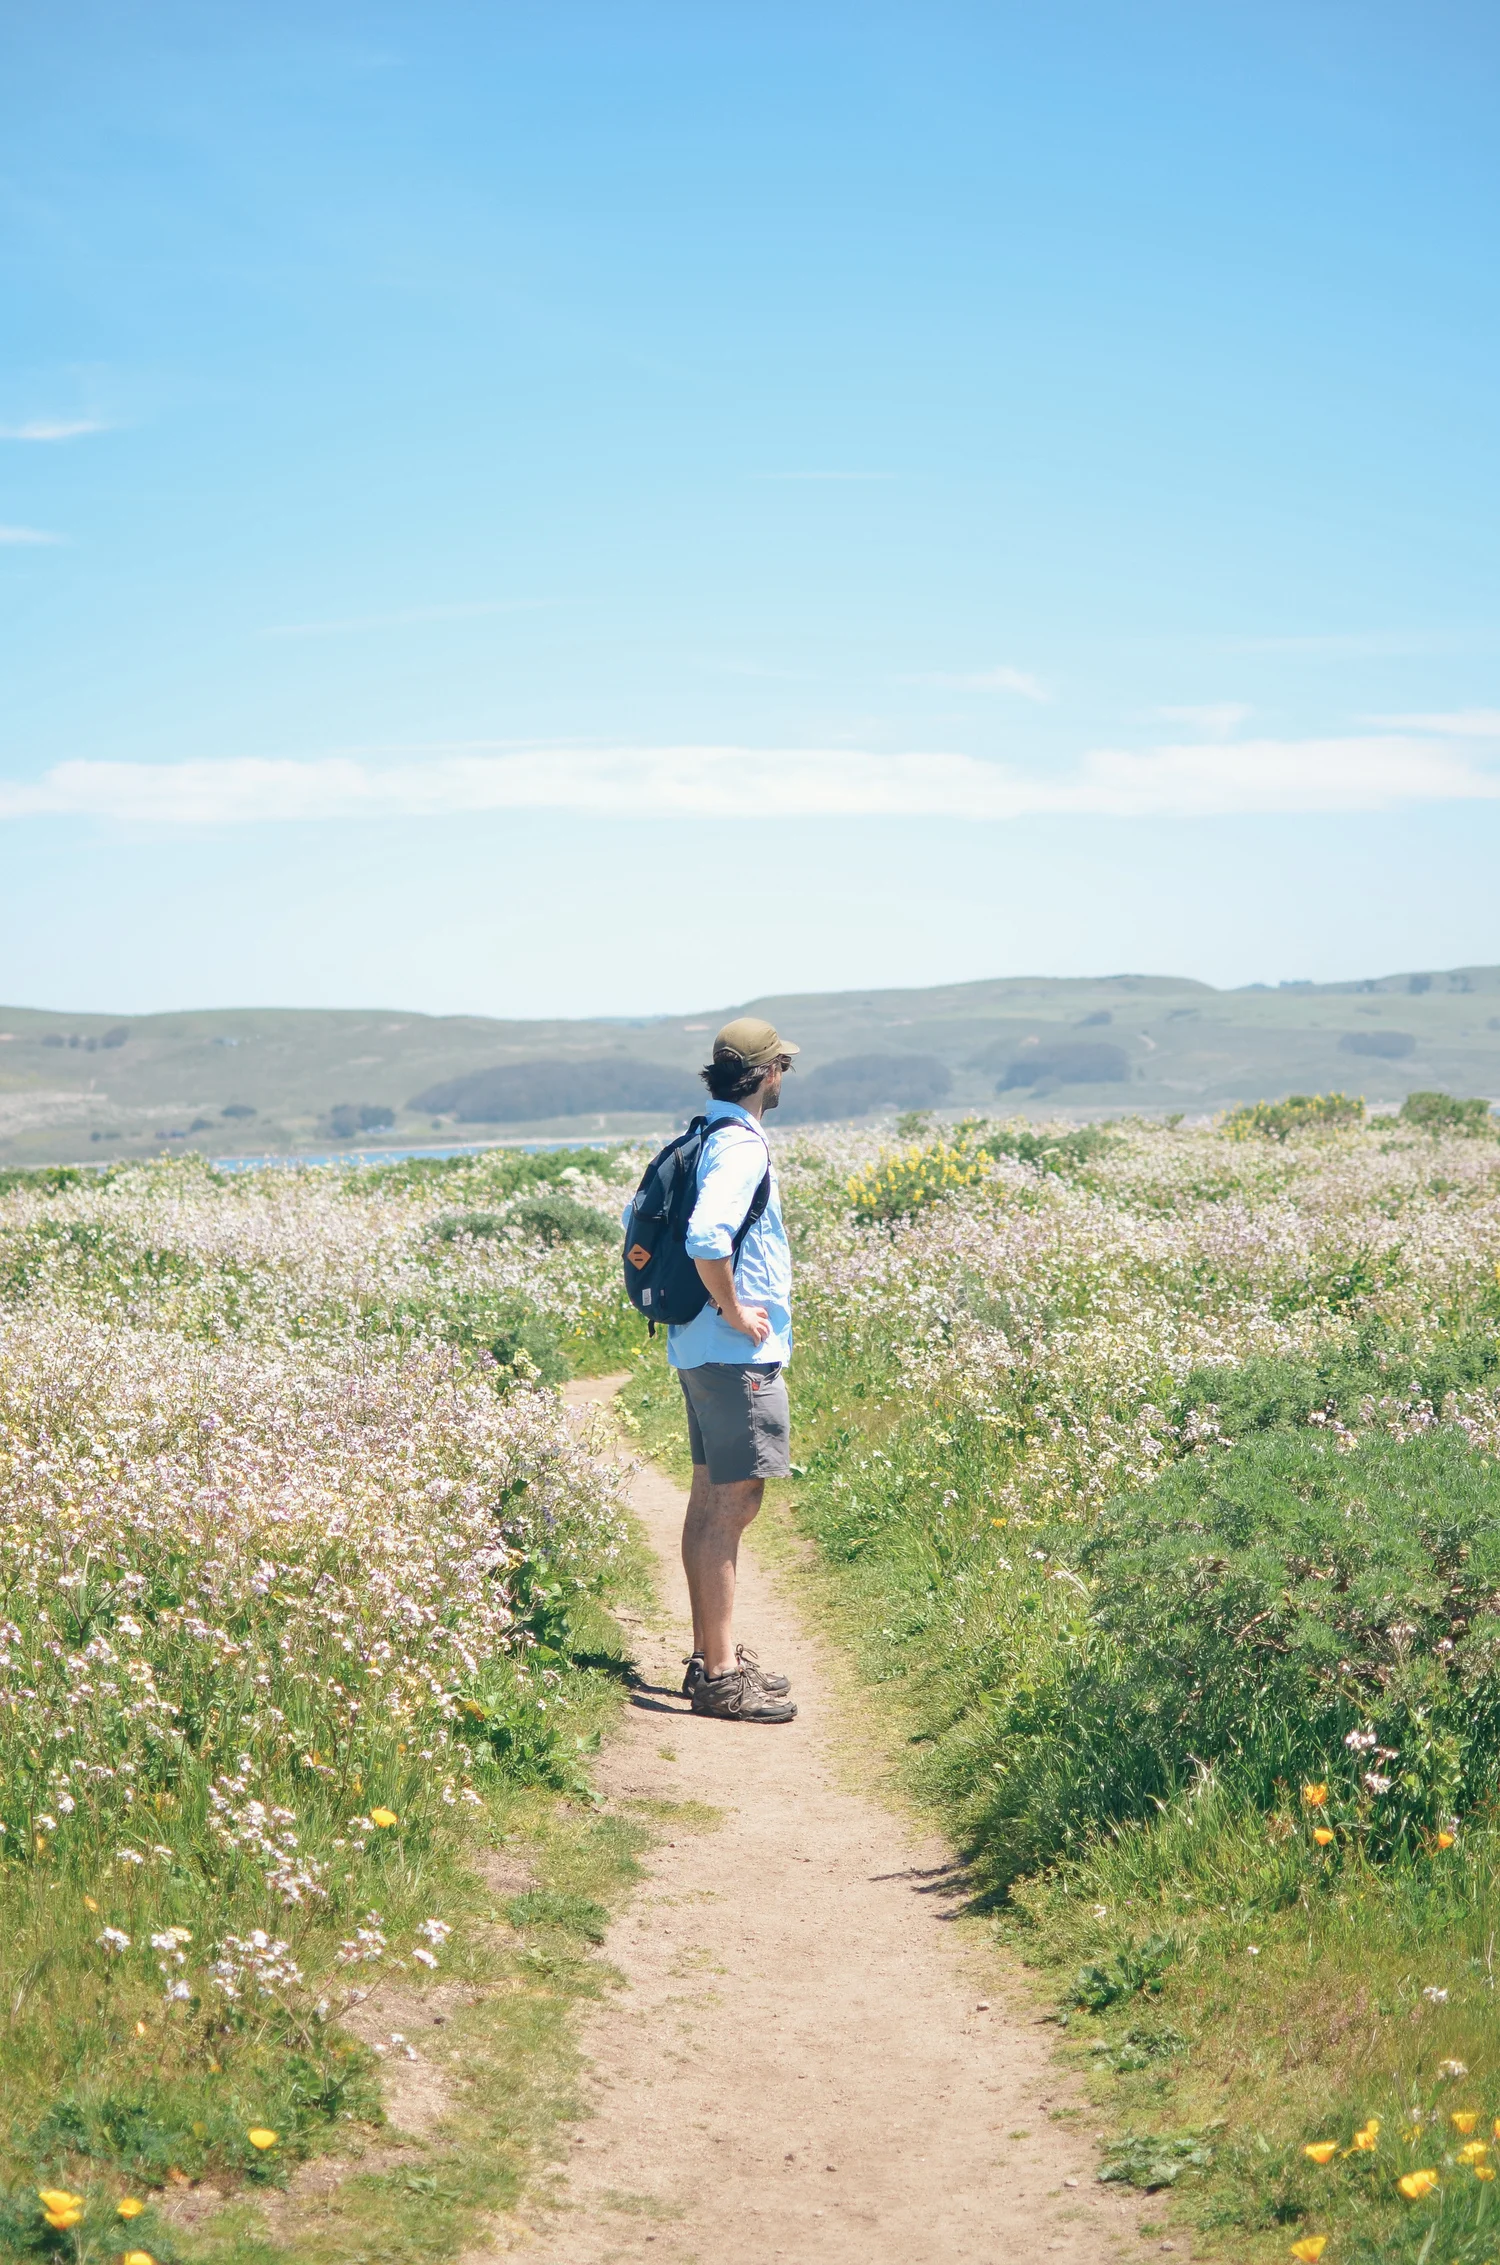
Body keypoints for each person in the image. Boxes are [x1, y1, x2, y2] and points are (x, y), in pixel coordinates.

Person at [672, 1017, 799, 1724]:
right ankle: (721, 1676)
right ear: (769, 1070)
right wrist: (736, 1309)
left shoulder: (705, 1132)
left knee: (707, 1500)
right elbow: (705, 1236)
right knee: (733, 1505)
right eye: (784, 1064)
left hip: (699, 1348)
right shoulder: (739, 1147)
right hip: (731, 1354)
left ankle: (707, 1656)